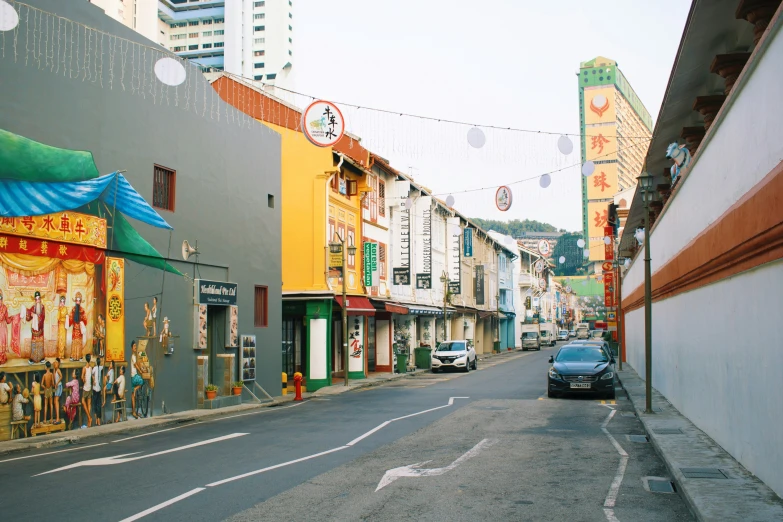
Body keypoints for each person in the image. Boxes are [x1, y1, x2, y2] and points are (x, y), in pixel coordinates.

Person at [25, 291, 46, 364]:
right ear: (35, 300)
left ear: (40, 299)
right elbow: (28, 318)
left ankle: (41, 358)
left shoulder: (42, 307)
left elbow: (42, 317)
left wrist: (35, 316)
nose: (37, 301)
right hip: (34, 331)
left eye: (38, 299)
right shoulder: (33, 308)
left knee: (40, 344)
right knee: (34, 343)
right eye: (36, 299)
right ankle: (33, 358)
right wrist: (28, 313)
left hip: (40, 330)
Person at [69, 292, 88, 360]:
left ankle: (79, 356)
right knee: (74, 342)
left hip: (79, 330)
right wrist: (69, 321)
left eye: (79, 301)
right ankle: (73, 355)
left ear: (80, 301)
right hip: (74, 329)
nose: (78, 302)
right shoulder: (73, 309)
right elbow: (70, 318)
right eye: (76, 300)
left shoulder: (82, 310)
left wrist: (82, 323)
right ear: (75, 301)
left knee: (79, 342)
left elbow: (85, 319)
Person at [130, 341, 144, 418]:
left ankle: (134, 412)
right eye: (134, 346)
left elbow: (137, 364)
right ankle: (136, 388)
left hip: (133, 376)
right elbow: (136, 365)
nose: (135, 347)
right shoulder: (133, 356)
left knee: (133, 396)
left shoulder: (135, 355)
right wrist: (140, 371)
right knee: (142, 381)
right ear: (132, 348)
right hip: (134, 376)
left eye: (136, 346)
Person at [81, 354, 92, 428]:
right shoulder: (90, 368)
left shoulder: (84, 368)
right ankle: (89, 421)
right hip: (90, 386)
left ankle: (89, 417)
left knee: (82, 401)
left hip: (85, 387)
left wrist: (83, 379)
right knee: (89, 404)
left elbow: (82, 377)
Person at [0, 291, 10, 365]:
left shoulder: (4, 307)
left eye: (1, 298)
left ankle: (2, 358)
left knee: (2, 341)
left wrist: (14, 318)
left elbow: (7, 320)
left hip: (2, 327)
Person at [92, 357, 103, 426]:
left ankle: (96, 419)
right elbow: (103, 363)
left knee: (95, 404)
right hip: (99, 388)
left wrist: (93, 380)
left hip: (95, 388)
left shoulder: (95, 368)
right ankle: (98, 420)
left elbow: (92, 374)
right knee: (99, 404)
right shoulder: (100, 368)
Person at [53, 358, 63, 424]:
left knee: (56, 401)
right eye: (55, 363)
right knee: (55, 401)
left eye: (56, 363)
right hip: (57, 386)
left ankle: (57, 418)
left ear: (58, 364)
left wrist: (56, 383)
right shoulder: (55, 370)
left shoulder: (58, 370)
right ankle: (57, 418)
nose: (55, 364)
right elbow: (54, 377)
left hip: (59, 386)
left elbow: (61, 376)